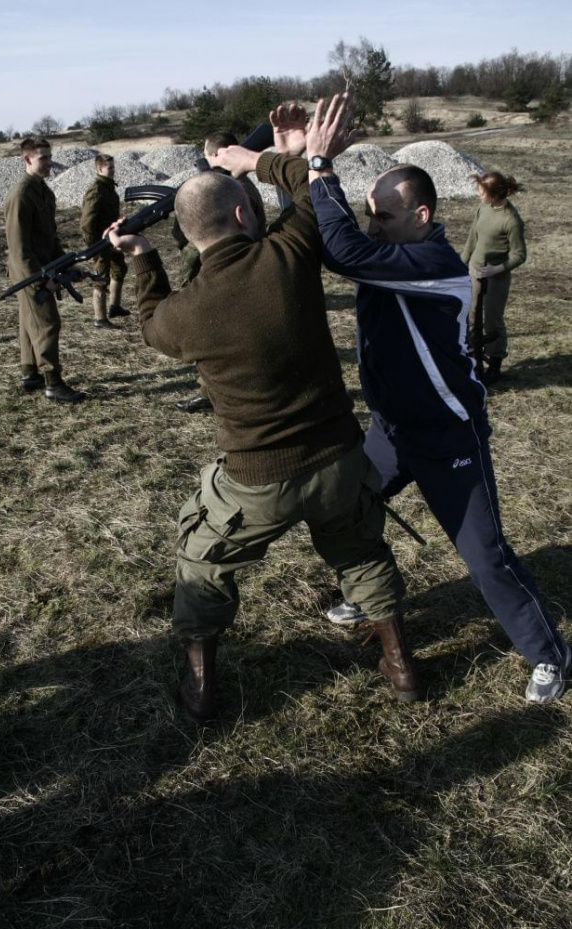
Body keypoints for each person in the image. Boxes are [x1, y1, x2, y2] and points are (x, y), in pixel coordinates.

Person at [107, 103, 414, 721]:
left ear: (189, 236)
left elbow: (149, 323)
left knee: (200, 560)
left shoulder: (182, 317)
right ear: (245, 212)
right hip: (338, 459)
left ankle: (200, 685)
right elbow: (311, 192)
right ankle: (401, 664)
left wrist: (141, 257)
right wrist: (267, 159)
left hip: (256, 480)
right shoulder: (289, 253)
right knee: (359, 550)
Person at [298, 95, 569, 705]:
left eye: (384, 221)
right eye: (371, 221)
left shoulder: (433, 262)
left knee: (485, 557)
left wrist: (320, 167)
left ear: (420, 215)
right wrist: (289, 160)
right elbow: (335, 240)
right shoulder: (395, 252)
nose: (374, 230)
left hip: (448, 437)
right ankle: (364, 594)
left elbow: (343, 251)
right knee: (350, 509)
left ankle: (551, 653)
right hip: (391, 431)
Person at [172, 130, 267, 414]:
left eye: (206, 154)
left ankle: (214, 394)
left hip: (228, 269)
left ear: (217, 155)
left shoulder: (228, 188)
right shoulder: (238, 185)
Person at [4, 136, 85, 402]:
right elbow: (18, 247)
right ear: (27, 160)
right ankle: (53, 382)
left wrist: (66, 261)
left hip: (42, 267)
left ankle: (30, 373)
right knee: (47, 323)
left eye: (50, 156)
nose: (50, 163)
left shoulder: (43, 190)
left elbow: (50, 236)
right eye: (44, 158)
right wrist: (39, 282)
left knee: (29, 323)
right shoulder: (21, 194)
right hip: (29, 272)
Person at [462, 171, 526, 386]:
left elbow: (519, 255)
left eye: (482, 191)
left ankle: (495, 364)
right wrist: (463, 262)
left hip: (496, 277)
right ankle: (473, 360)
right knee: (470, 317)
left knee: (492, 321)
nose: (479, 195)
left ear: (494, 193)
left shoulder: (510, 220)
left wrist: (495, 270)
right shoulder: (483, 208)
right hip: (474, 272)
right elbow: (473, 236)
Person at [80, 153, 130, 329]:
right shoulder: (96, 190)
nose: (113, 171)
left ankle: (114, 307)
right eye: (109, 168)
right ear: (99, 168)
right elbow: (87, 222)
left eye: (114, 167)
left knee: (120, 269)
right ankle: (100, 318)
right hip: (100, 242)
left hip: (111, 238)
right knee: (101, 278)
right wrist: (93, 246)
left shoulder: (108, 187)